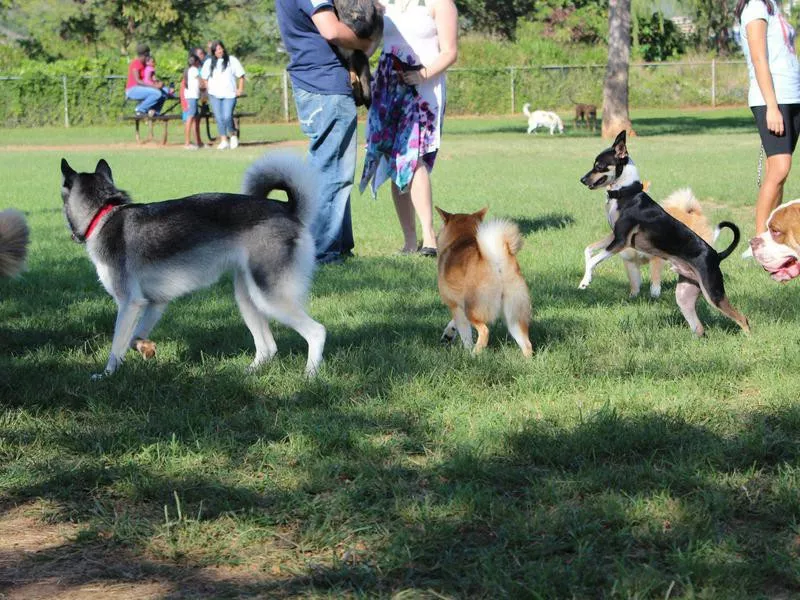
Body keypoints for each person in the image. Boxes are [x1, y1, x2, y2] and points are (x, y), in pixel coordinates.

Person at [276, 0, 374, 265]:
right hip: (325, 85)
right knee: (332, 173)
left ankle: (338, 247)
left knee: (333, 169)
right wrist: (365, 44)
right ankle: (323, 251)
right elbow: (330, 30)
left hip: (313, 81)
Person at [359, 0, 458, 257]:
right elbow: (371, 44)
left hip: (424, 89)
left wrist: (423, 74)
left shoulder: (440, 3)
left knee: (413, 159)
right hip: (387, 87)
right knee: (395, 162)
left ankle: (430, 238)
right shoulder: (382, 3)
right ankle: (409, 240)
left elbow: (450, 52)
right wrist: (353, 63)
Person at [737, 0, 800, 243]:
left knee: (778, 173)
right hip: (773, 99)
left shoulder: (773, 5)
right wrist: (772, 107)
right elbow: (759, 59)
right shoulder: (755, 7)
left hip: (792, 96)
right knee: (780, 168)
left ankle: (777, 236)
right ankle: (759, 241)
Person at [200, 40, 245, 150]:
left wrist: (240, 89)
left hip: (229, 94)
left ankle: (233, 135)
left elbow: (241, 75)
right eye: (216, 49)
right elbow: (204, 77)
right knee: (219, 118)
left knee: (227, 116)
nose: (219, 51)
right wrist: (208, 87)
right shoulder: (209, 62)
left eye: (220, 48)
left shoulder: (232, 60)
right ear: (213, 52)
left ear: (223, 49)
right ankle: (224, 140)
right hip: (214, 94)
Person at [125, 43, 166, 116]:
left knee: (163, 94)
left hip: (141, 88)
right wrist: (154, 86)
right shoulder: (136, 63)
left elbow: (150, 78)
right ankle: (140, 109)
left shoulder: (145, 64)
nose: (149, 56)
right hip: (132, 89)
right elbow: (138, 81)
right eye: (148, 55)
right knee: (157, 93)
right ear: (145, 54)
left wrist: (159, 83)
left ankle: (154, 111)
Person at [181, 54, 203, 150]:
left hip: (191, 96)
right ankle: (187, 143)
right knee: (190, 117)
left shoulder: (188, 70)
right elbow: (201, 83)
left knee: (195, 118)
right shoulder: (194, 70)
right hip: (192, 97)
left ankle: (198, 142)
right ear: (196, 62)